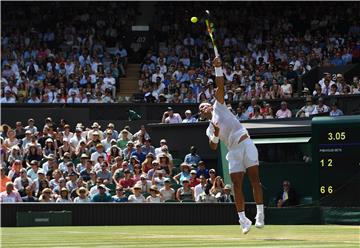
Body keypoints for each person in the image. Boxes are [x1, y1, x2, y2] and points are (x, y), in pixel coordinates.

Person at [198, 57, 264, 234]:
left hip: (246, 142)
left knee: (255, 180)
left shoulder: (219, 105)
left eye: (204, 105)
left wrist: (218, 68)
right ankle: (243, 220)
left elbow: (220, 85)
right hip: (233, 151)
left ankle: (260, 214)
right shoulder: (209, 129)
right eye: (201, 108)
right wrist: (217, 135)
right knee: (236, 185)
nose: (203, 108)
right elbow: (213, 146)